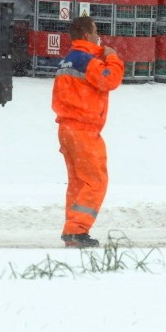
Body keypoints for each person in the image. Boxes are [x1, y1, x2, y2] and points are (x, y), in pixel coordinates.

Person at [52, 16, 124, 248]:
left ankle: (72, 229)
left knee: (78, 183)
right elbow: (110, 80)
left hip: (67, 128)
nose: (98, 36)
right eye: (95, 32)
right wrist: (112, 57)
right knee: (95, 181)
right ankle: (76, 230)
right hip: (83, 130)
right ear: (86, 35)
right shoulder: (87, 61)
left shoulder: (69, 61)